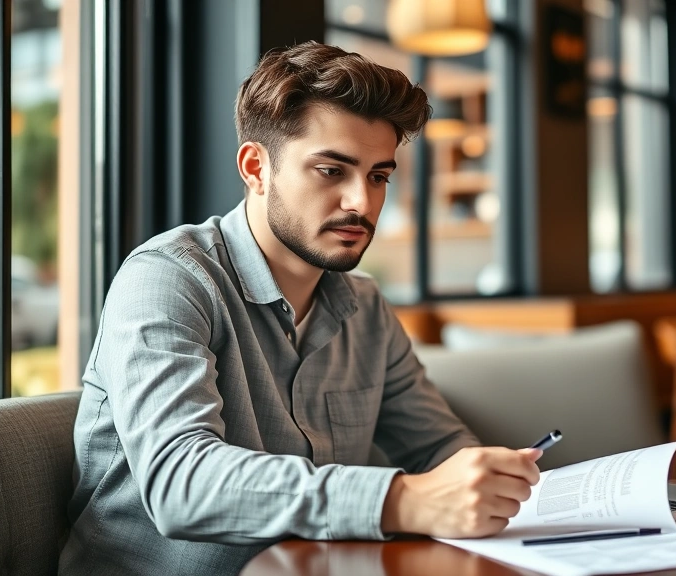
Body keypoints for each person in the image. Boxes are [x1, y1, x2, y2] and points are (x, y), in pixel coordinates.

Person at [59, 42, 541, 575]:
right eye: (332, 171)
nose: (362, 201)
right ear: (255, 168)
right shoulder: (168, 279)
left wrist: (489, 484)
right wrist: (402, 500)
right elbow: (181, 484)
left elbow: (440, 448)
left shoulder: (366, 307)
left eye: (379, 176)